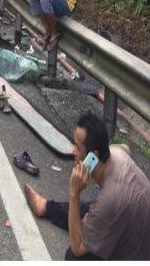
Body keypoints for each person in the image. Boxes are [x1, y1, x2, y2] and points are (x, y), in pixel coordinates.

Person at [24, 111, 150, 260]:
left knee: (72, 256)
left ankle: (48, 208)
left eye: (77, 146)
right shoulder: (117, 153)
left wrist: (74, 192)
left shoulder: (109, 200)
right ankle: (46, 207)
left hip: (136, 255)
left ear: (93, 156)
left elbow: (77, 248)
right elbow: (125, 147)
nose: (73, 151)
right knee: (86, 209)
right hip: (132, 221)